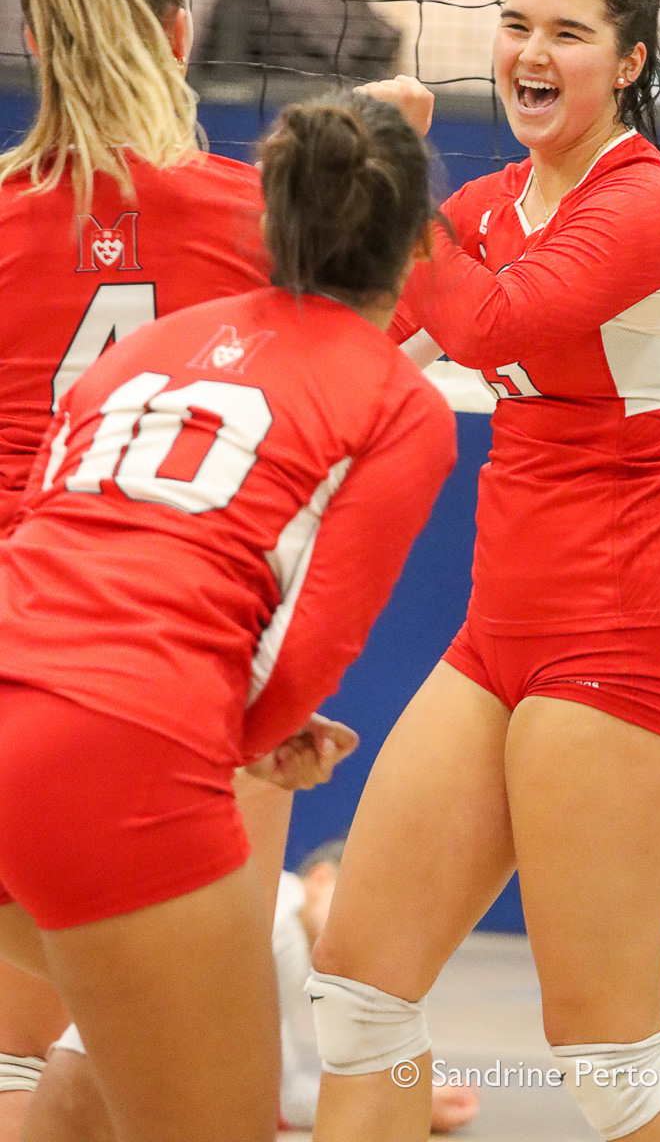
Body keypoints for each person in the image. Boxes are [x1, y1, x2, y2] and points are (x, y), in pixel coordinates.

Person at [308, 0, 660, 1142]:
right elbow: (350, 339)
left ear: (629, 63)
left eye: (567, 33)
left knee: (605, 1054)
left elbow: (494, 321)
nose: (531, 54)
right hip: (501, 638)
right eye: (516, 26)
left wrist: (395, 168)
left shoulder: (653, 203)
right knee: (357, 988)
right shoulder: (486, 205)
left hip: (634, 645)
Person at [0, 92, 456, 1142]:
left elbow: (41, 524)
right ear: (418, 247)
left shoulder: (142, 347)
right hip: (121, 746)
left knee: (106, 1054)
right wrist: (260, 739)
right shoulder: (397, 403)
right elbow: (312, 649)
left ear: (267, 226)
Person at [0, 0, 280, 1138]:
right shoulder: (259, 217)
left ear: (40, 42)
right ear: (179, 38)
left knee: (65, 1063)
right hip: (142, 680)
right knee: (201, 1084)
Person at [274, 842, 478, 1135]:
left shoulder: (275, 910)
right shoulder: (284, 932)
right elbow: (278, 1100)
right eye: (364, 901)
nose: (373, 925)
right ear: (320, 878)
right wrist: (398, 1103)